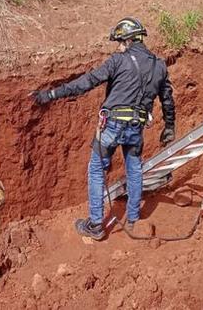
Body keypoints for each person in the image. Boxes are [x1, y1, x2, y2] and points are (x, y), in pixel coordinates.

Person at [31, 17, 176, 240]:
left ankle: (96, 224)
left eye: (119, 42)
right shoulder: (159, 65)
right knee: (135, 170)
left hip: (112, 126)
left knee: (97, 169)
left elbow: (87, 82)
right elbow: (167, 100)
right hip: (136, 127)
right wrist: (169, 127)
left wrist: (50, 94)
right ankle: (134, 218)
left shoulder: (118, 60)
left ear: (127, 41)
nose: (118, 46)